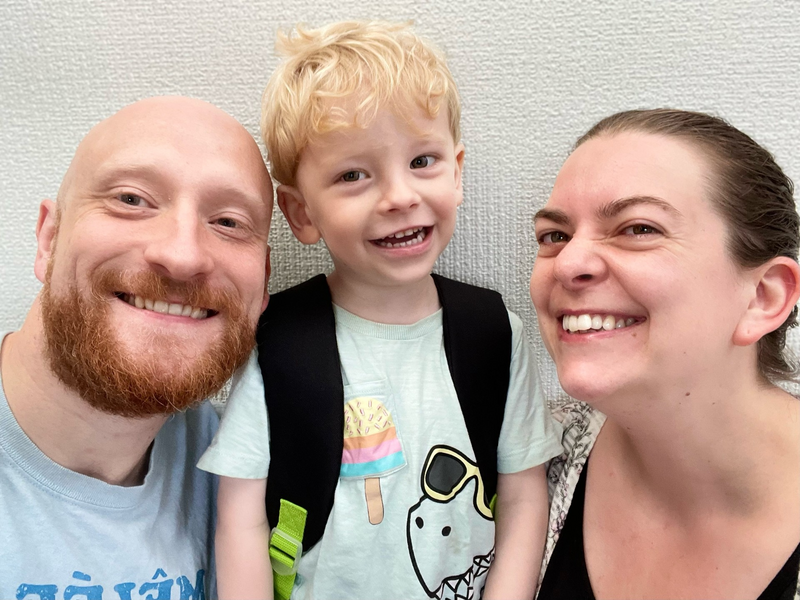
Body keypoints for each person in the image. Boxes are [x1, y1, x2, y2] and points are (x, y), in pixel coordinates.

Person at [197, 20, 563, 600]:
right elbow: (241, 515)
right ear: (301, 213)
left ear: (458, 170)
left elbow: (522, 495)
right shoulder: (281, 341)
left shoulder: (494, 333)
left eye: (423, 161)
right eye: (353, 175)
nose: (399, 196)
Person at [0, 96, 274, 598]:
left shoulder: (238, 468)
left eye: (229, 222)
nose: (182, 255)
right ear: (48, 240)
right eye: (131, 199)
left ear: (262, 288)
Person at [531, 109, 800, 599]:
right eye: (555, 236)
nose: (568, 262)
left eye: (638, 229)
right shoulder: (534, 460)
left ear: (764, 297)